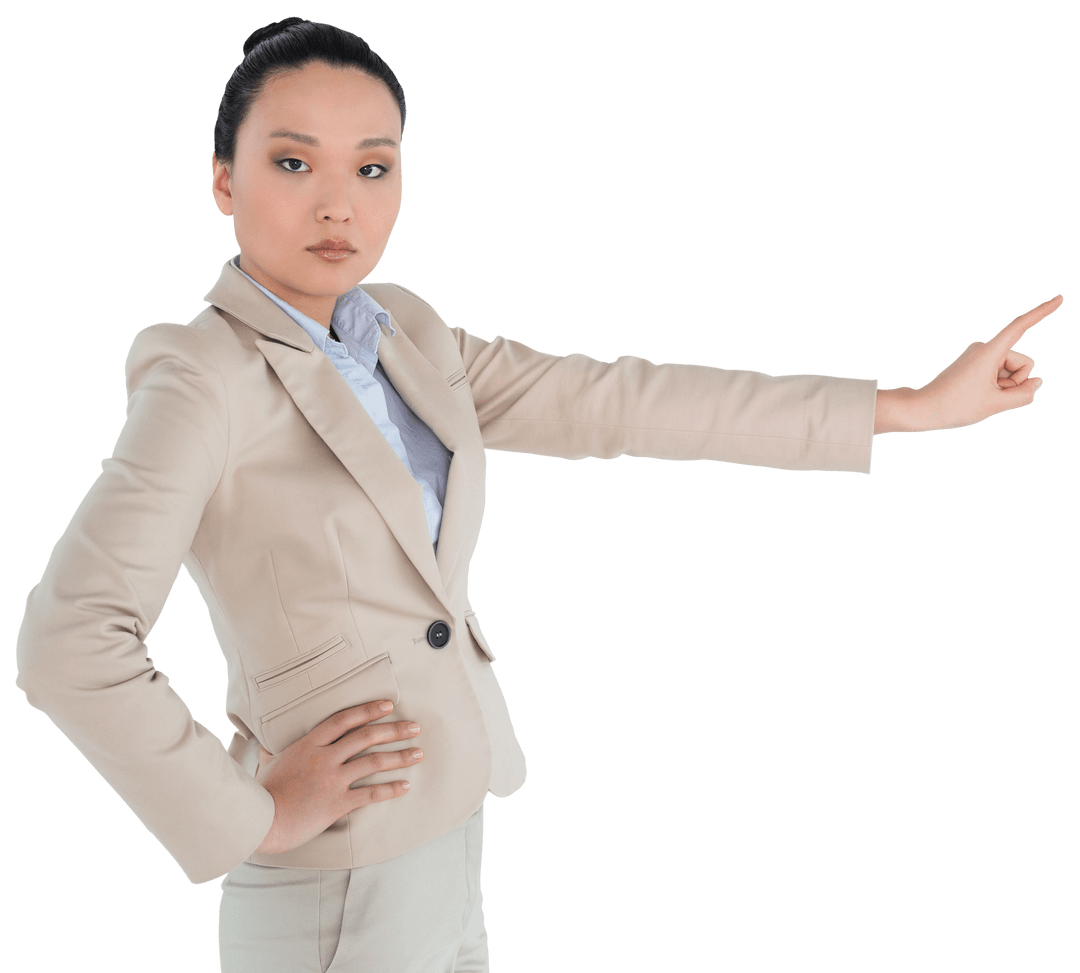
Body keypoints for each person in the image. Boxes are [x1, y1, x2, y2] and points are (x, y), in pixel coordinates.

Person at [12, 15, 1062, 973]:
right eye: (293, 162)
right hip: (335, 892)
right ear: (223, 182)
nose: (339, 203)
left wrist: (904, 407)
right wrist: (246, 815)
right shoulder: (204, 377)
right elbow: (68, 640)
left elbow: (621, 403)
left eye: (373, 167)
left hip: (450, 830)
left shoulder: (405, 335)